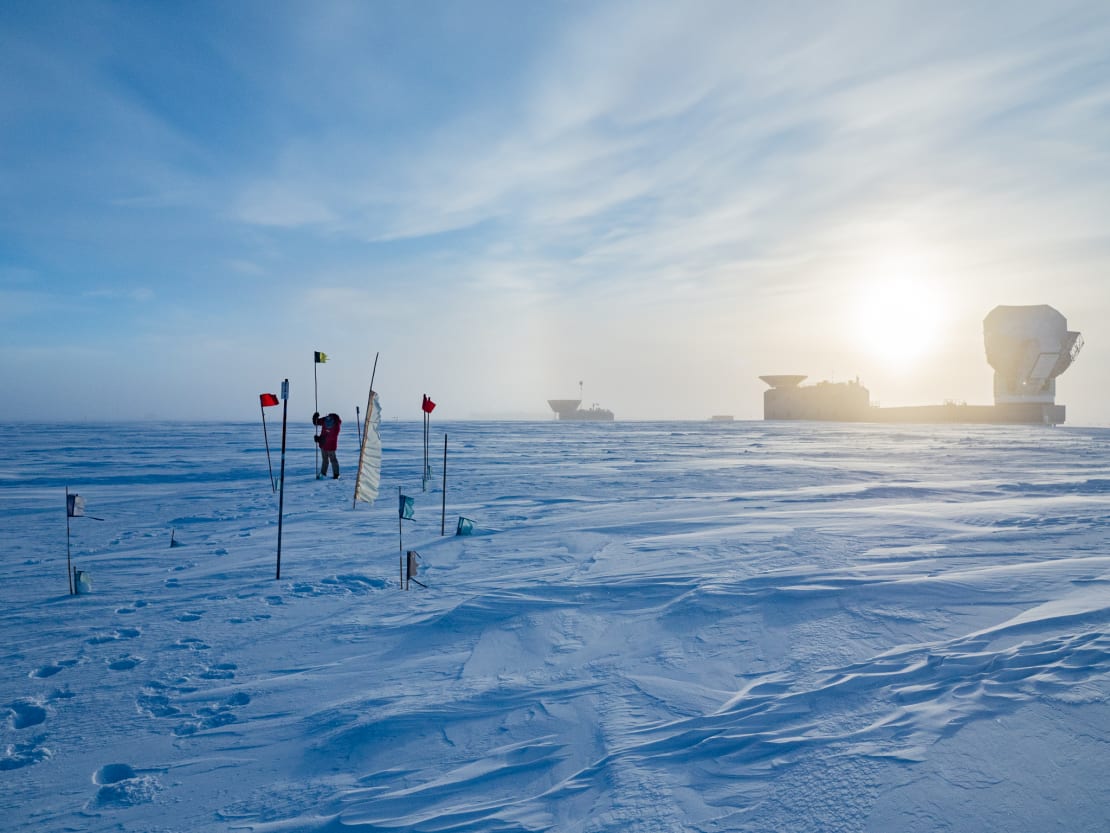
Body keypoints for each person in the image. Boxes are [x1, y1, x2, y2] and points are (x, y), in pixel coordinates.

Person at [312, 411, 342, 479]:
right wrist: (315, 418)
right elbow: (317, 422)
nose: (328, 421)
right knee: (325, 460)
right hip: (323, 445)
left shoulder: (336, 424)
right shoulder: (325, 419)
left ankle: (336, 474)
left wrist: (320, 439)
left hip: (331, 446)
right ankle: (323, 473)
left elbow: (333, 436)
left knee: (333, 460)